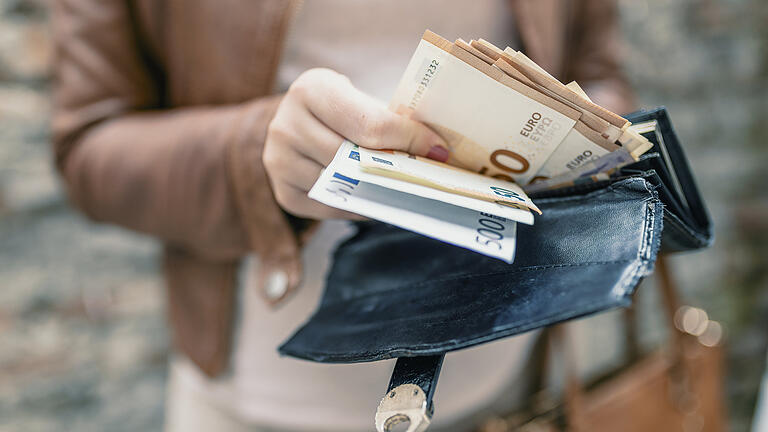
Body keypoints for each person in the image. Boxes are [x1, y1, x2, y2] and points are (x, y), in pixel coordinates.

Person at [51, 1, 634, 431]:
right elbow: (87, 146)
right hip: (259, 400)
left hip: (507, 375)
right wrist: (255, 152)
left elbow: (598, 69)